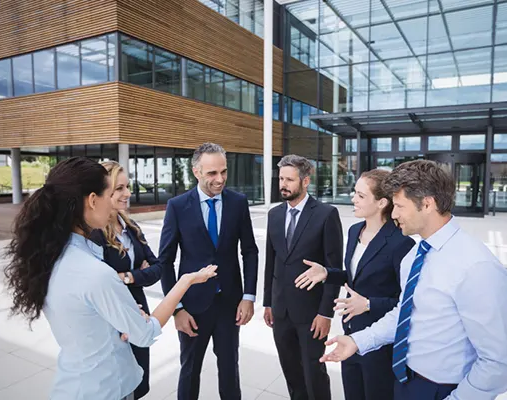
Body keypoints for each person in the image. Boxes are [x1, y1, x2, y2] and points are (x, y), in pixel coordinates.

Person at [2, 157, 217, 400]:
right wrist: (185, 281)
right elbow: (145, 334)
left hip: (75, 384)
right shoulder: (95, 272)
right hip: (105, 389)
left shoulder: (53, 257)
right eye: (111, 192)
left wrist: (119, 311)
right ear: (93, 200)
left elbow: (84, 313)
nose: (122, 198)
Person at [319, 160, 507, 400]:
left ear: (427, 203)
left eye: (400, 206)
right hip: (405, 380)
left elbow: (499, 365)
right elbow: (404, 314)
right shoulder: (415, 254)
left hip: (445, 390)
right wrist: (358, 341)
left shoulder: (476, 267)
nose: (393, 214)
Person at [295, 169, 415, 400]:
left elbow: (407, 303)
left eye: (360, 195)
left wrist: (370, 304)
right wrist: (327, 273)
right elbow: (355, 277)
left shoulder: (401, 243)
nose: (353, 198)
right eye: (354, 193)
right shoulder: (354, 231)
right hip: (349, 333)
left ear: (381, 203)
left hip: (379, 341)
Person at [159, 143, 258, 400]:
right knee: (189, 371)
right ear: (196, 172)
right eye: (212, 173)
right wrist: (177, 309)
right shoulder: (177, 206)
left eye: (223, 172)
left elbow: (250, 251)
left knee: (229, 370)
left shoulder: (238, 202)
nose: (220, 179)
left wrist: (248, 297)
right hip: (192, 307)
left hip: (229, 304)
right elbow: (166, 261)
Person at [263, 154, 343, 400]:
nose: (283, 184)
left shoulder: (326, 214)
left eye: (289, 179)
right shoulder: (274, 215)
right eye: (281, 178)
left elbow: (333, 269)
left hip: (311, 314)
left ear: (306, 181)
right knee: (292, 373)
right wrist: (268, 302)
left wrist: (325, 313)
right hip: (281, 310)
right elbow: (271, 262)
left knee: (313, 373)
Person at [90, 161, 162, 399]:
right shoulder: (94, 235)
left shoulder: (130, 226)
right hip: (113, 321)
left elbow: (157, 268)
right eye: (119, 188)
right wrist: (137, 274)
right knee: (118, 387)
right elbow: (99, 282)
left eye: (127, 187)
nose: (127, 194)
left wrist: (128, 276)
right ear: (101, 193)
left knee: (137, 384)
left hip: (138, 314)